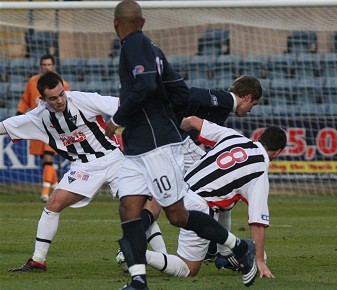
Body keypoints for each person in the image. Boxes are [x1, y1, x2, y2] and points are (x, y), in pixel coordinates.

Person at [106, 1, 258, 289]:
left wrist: (118, 118)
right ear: (144, 20)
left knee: (176, 215)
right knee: (129, 208)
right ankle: (139, 280)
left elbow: (146, 85)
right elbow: (180, 91)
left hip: (157, 146)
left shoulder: (134, 45)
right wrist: (167, 116)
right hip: (139, 145)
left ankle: (238, 247)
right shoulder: (153, 49)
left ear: (116, 24)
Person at [4, 71, 122, 272]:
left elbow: (122, 104)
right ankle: (38, 260)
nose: (60, 101)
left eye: (61, 94)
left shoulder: (82, 99)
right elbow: (7, 126)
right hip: (83, 167)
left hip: (114, 159)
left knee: (135, 204)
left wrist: (116, 123)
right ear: (42, 99)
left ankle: (133, 250)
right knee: (53, 203)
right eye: (53, 98)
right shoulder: (38, 118)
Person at [142, 116, 285, 280]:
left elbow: (192, 121)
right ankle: (139, 254)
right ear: (278, 152)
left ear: (258, 138)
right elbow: (257, 221)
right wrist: (259, 261)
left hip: (177, 188)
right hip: (198, 205)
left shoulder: (233, 136)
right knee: (189, 268)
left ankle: (224, 253)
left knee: (227, 202)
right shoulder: (260, 170)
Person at [139, 75, 263, 261]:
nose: (250, 111)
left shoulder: (223, 107)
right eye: (252, 105)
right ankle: (222, 252)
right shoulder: (225, 99)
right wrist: (175, 119)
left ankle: (132, 241)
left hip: (168, 144)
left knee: (157, 199)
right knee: (218, 187)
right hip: (179, 144)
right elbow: (192, 95)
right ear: (247, 96)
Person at [17, 54, 70, 203]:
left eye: (49, 65)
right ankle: (58, 188)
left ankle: (45, 193)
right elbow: (25, 100)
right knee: (45, 161)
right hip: (36, 126)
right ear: (41, 66)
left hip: (54, 127)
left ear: (53, 66)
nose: (47, 67)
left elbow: (69, 103)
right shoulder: (33, 82)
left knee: (48, 158)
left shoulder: (62, 84)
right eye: (44, 65)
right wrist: (18, 115)